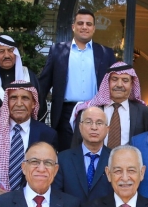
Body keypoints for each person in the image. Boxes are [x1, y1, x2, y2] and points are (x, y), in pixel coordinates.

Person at [38, 9, 117, 150]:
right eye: (80, 23)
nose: (84, 27)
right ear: (73, 26)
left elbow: (114, 84)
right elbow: (43, 85)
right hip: (65, 114)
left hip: (97, 111)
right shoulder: (57, 50)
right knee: (67, 155)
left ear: (94, 28)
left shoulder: (106, 53)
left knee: (94, 152)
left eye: (88, 24)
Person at [0, 81, 58, 191]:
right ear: (6, 102)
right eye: (13, 98)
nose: (19, 104)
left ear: (34, 103)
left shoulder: (47, 134)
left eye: (25, 98)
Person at [70, 61, 148, 150]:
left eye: (125, 80)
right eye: (114, 79)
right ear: (107, 82)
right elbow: (76, 146)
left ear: (132, 85)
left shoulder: (144, 113)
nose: (119, 85)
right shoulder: (89, 110)